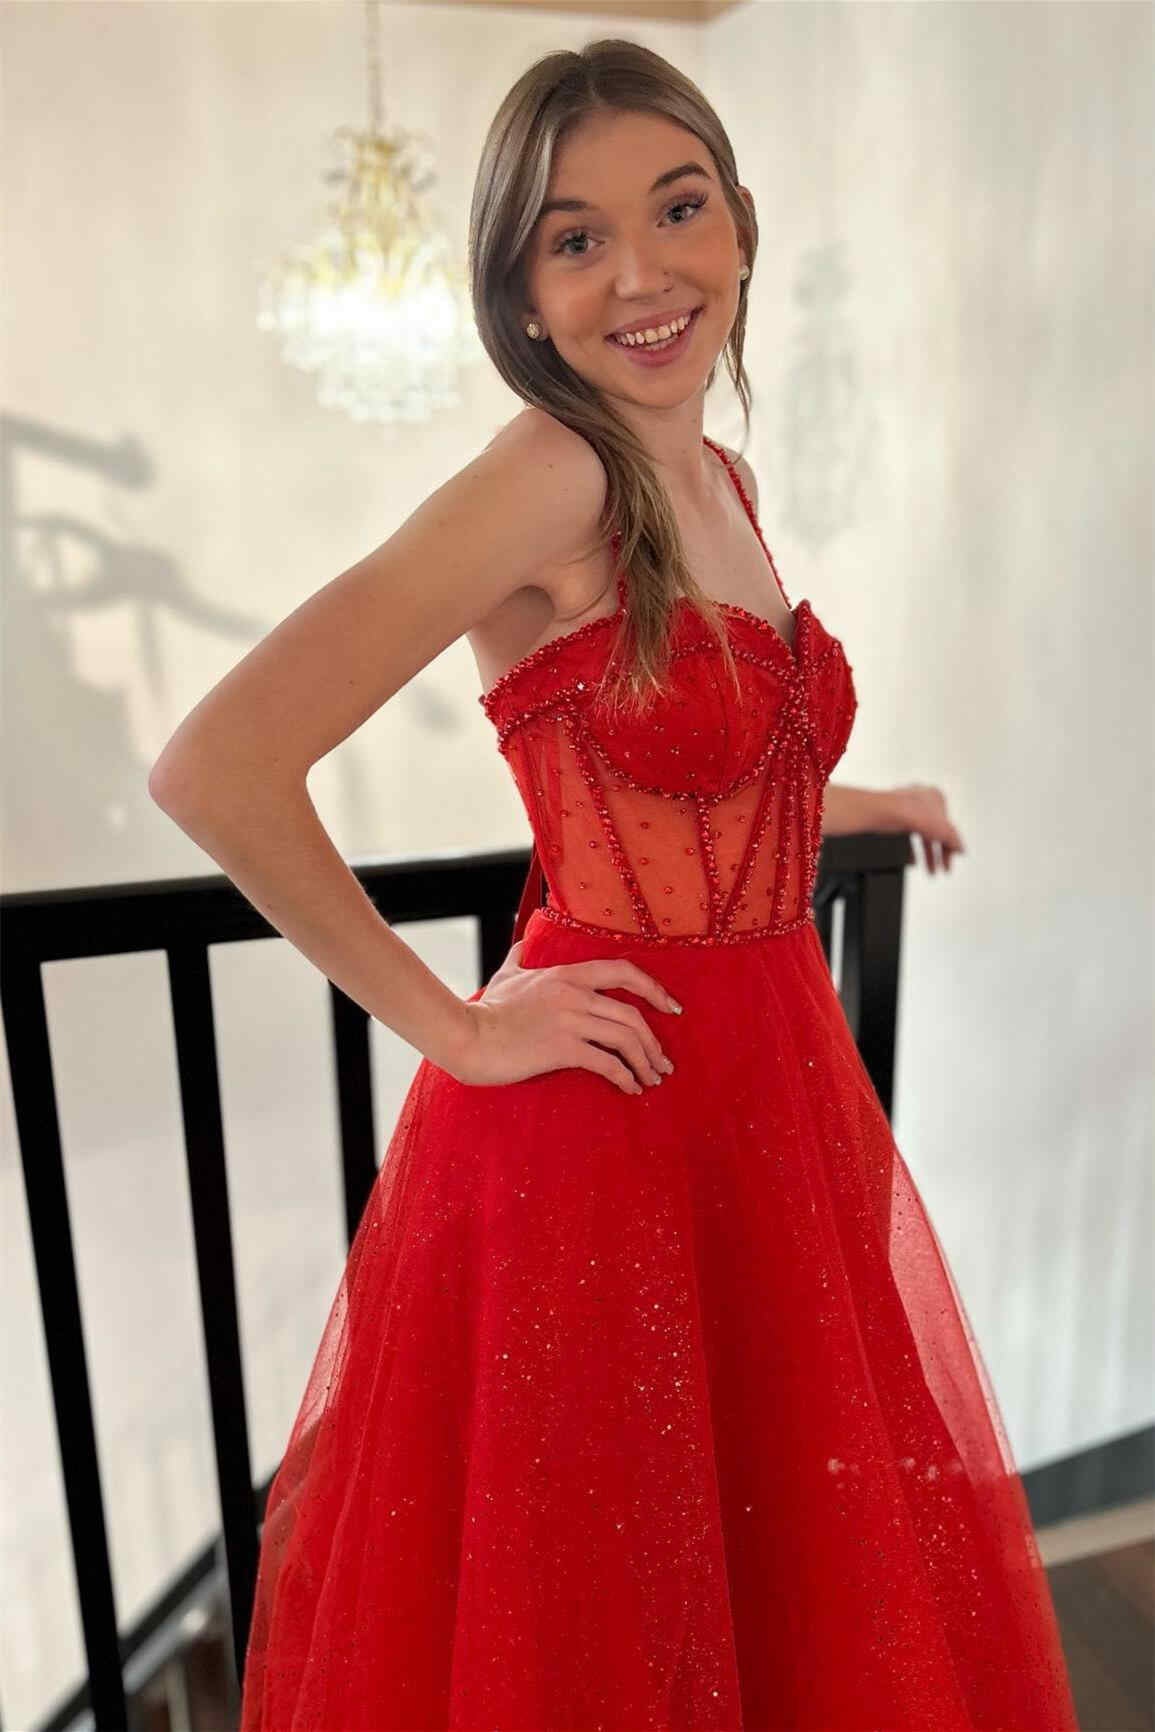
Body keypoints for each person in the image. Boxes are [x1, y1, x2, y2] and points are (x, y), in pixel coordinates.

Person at [150, 38, 1079, 1732]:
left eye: (678, 209)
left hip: (766, 1089)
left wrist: (869, 799)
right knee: (605, 1612)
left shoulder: (715, 476)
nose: (641, 274)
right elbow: (218, 764)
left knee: (764, 1575)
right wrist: (455, 1026)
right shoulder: (552, 473)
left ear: (742, 226)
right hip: (606, 1114)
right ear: (520, 288)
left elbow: (707, 766)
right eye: (576, 239)